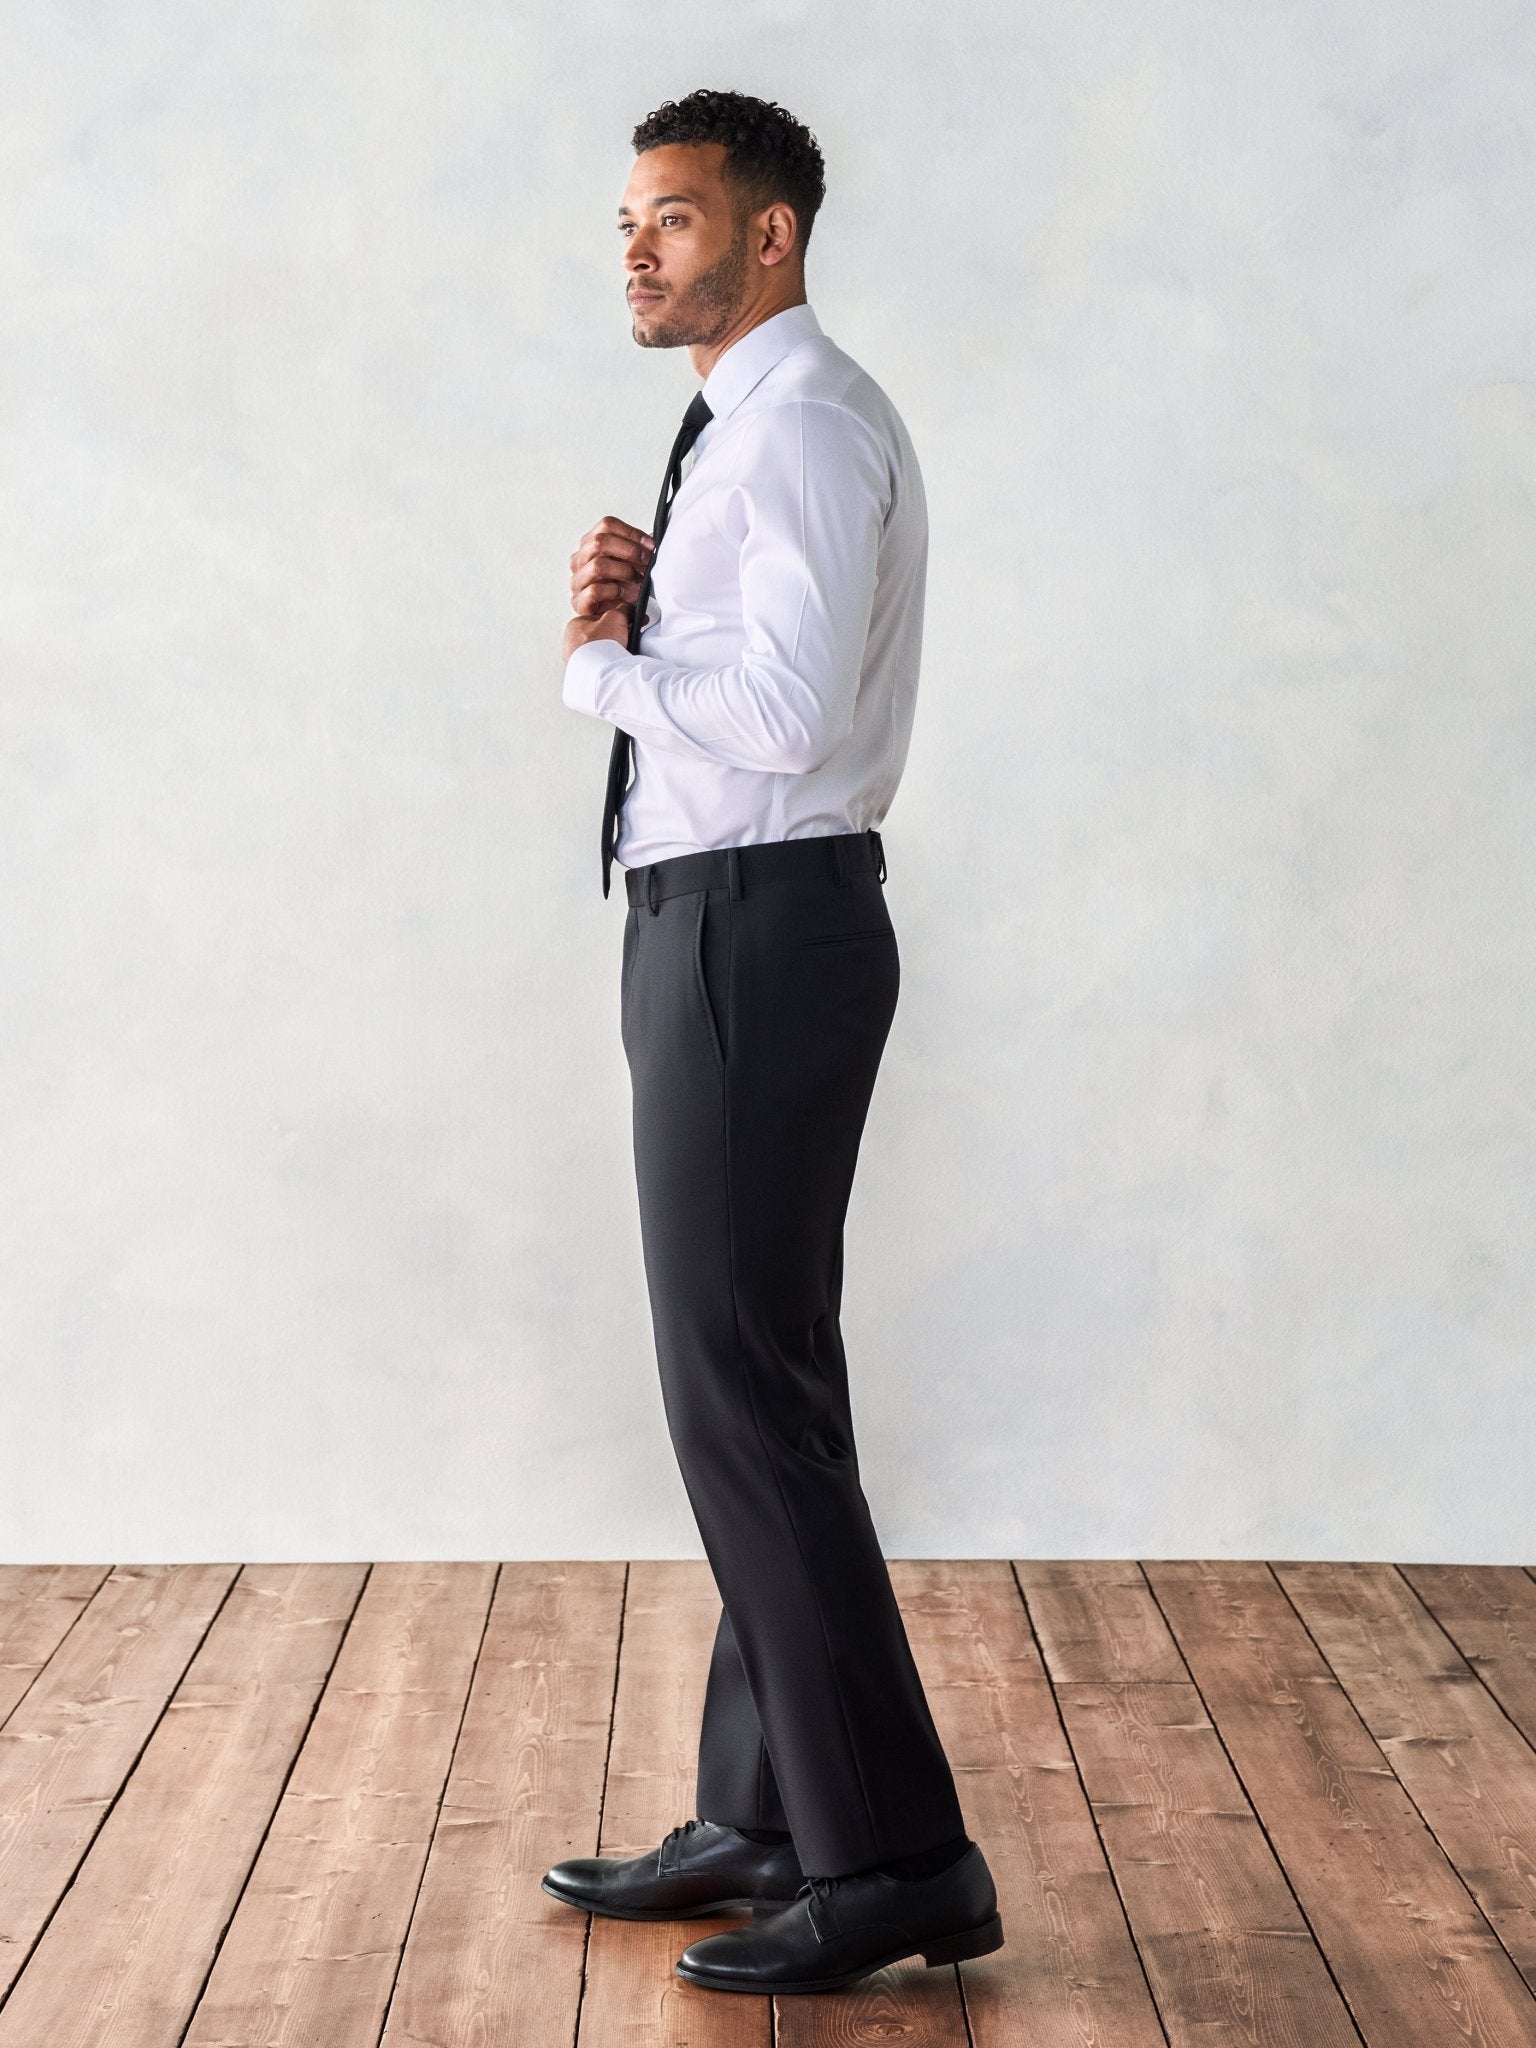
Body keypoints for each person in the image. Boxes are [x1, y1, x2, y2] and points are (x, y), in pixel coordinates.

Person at [543, 88, 1004, 1996]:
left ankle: (896, 1859)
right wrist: (652, 635)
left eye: (673, 216)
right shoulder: (757, 423)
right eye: (629, 220)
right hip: (732, 931)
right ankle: (768, 1811)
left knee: (741, 1397)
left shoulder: (800, 424)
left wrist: (602, 669)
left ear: (773, 235)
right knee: (757, 1386)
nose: (638, 247)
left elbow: (795, 715)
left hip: (757, 933)